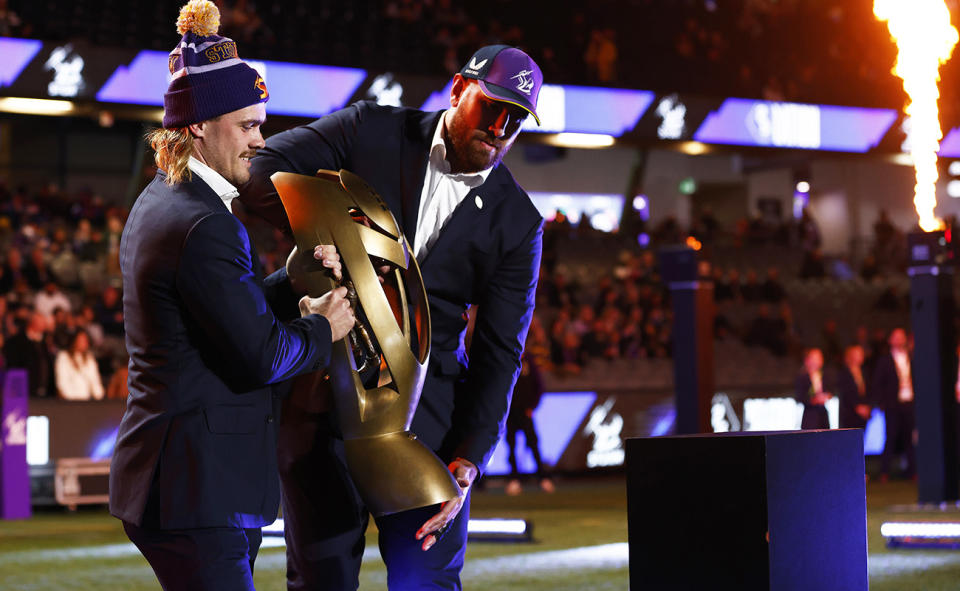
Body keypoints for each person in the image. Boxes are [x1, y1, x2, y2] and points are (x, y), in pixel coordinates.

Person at [241, 44, 544, 590]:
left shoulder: (519, 222)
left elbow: (500, 352)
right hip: (324, 407)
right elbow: (263, 168)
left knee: (427, 583)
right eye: (492, 106)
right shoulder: (370, 129)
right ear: (458, 90)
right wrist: (321, 237)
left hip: (427, 428)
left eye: (516, 118)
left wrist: (469, 457)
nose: (501, 126)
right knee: (319, 583)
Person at [108, 3, 355, 589]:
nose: (259, 140)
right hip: (197, 489)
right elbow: (260, 357)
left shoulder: (164, 200)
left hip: (181, 481)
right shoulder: (204, 221)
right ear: (198, 125)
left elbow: (216, 311)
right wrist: (324, 327)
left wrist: (291, 280)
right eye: (247, 125)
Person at [504, 351, 554, 495]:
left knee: (533, 444)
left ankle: (543, 478)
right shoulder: (508, 357)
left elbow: (539, 385)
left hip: (525, 411)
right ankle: (514, 479)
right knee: (511, 445)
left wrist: (532, 406)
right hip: (511, 412)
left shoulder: (529, 360)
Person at [872, 327, 915, 481]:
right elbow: (878, 383)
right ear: (890, 340)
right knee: (890, 437)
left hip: (908, 402)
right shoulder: (885, 360)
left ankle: (912, 471)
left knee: (909, 439)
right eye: (895, 337)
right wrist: (883, 403)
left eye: (901, 336)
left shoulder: (911, 357)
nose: (899, 340)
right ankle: (884, 472)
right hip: (893, 405)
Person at [54, 330, 103, 401]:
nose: (84, 343)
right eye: (81, 340)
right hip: (69, 401)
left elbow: (95, 381)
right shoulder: (64, 357)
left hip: (87, 401)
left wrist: (99, 397)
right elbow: (62, 383)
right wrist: (69, 399)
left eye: (85, 340)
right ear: (74, 341)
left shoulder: (89, 359)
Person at [795, 347, 832, 430]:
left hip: (823, 414)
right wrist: (814, 400)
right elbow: (799, 397)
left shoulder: (824, 375)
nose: (817, 360)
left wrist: (827, 396)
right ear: (807, 360)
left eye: (819, 357)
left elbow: (830, 390)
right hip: (810, 415)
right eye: (814, 358)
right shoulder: (803, 377)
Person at [837, 345, 872, 430]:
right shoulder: (843, 373)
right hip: (849, 413)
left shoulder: (865, 372)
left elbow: (869, 391)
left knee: (862, 439)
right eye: (857, 354)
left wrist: (868, 407)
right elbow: (845, 393)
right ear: (850, 356)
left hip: (863, 414)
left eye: (861, 354)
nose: (860, 356)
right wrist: (857, 407)